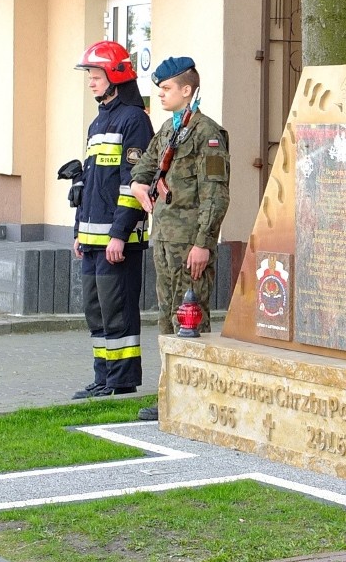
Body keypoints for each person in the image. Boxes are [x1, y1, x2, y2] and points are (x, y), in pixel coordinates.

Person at [130, 56, 230, 421]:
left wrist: (204, 242)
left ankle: (196, 400)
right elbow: (144, 165)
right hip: (165, 240)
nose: (160, 94)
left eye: (167, 88)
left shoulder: (207, 134)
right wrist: (140, 184)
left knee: (190, 319)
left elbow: (216, 194)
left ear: (187, 90)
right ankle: (171, 395)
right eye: (159, 89)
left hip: (190, 243)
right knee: (166, 320)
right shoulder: (170, 130)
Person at [72, 40, 154, 399]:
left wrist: (119, 234)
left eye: (95, 74)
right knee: (96, 309)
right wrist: (78, 232)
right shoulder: (98, 123)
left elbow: (133, 184)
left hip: (117, 241)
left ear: (115, 76)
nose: (90, 81)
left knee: (117, 310)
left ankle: (121, 381)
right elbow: (91, 184)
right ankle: (103, 377)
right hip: (92, 241)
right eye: (89, 74)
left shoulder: (133, 120)